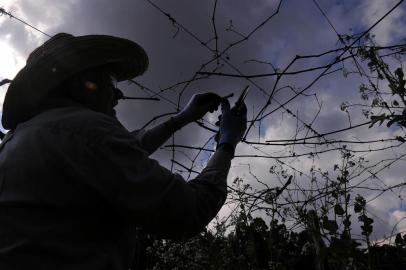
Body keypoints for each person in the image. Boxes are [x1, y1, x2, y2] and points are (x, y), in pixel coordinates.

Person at [0, 33, 247, 269]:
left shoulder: (22, 139)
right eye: (110, 80)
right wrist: (227, 142)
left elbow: (119, 151)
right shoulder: (88, 131)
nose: (118, 92)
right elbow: (188, 210)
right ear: (79, 83)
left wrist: (181, 118)